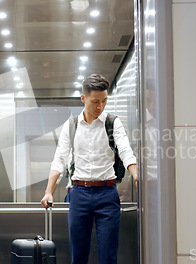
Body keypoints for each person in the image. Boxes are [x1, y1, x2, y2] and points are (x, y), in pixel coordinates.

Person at [41, 74, 138, 264]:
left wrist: (136, 175)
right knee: (78, 255)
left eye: (104, 101)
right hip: (79, 193)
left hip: (107, 194)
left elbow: (125, 150)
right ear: (83, 98)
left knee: (108, 256)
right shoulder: (71, 125)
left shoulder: (113, 122)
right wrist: (48, 192)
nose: (100, 107)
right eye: (95, 101)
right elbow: (59, 158)